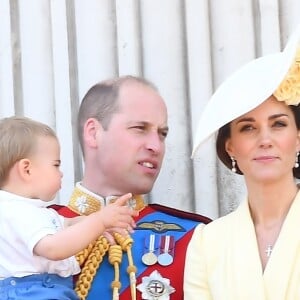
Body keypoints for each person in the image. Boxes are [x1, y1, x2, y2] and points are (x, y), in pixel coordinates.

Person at [53, 75, 211, 300]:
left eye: (162, 134)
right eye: (140, 128)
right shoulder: (27, 231)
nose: (156, 146)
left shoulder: (195, 237)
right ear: (93, 133)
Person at [184, 25, 300, 300]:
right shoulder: (207, 242)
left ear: (298, 139)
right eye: (248, 128)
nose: (265, 139)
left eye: (279, 124)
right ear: (231, 146)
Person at [0, 116, 138, 300]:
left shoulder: (25, 210)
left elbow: (65, 225)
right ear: (27, 170)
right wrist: (100, 220)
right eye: (55, 165)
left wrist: (95, 224)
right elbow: (53, 248)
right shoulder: (20, 212)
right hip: (34, 292)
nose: (61, 172)